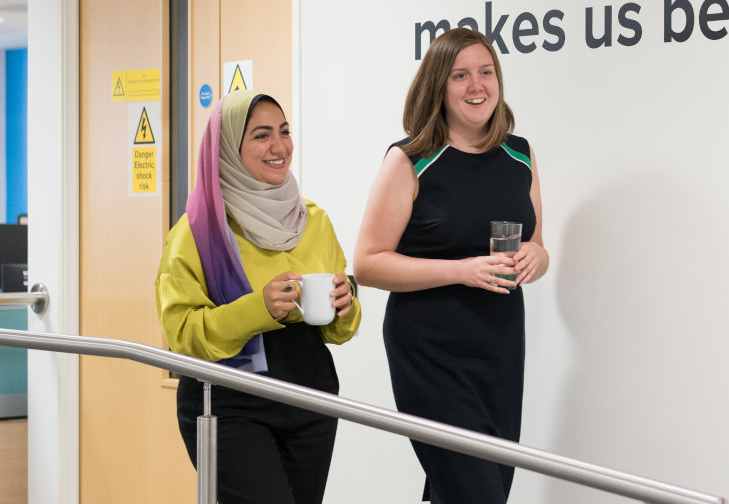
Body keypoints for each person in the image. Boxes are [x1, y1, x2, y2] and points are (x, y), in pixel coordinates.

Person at [354, 27, 550, 503]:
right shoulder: (411, 160)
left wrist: (535, 258)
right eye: (460, 76)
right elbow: (367, 263)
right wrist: (461, 270)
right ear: (438, 86)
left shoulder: (518, 154)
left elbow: (538, 245)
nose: (476, 86)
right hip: (431, 352)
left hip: (499, 346)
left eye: (486, 73)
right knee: (473, 491)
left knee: (481, 486)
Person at [155, 90, 360, 504]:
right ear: (228, 148)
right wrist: (257, 309)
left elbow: (339, 331)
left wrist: (346, 305)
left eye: (284, 132)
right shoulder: (197, 232)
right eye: (262, 135)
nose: (279, 146)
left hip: (310, 393)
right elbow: (180, 333)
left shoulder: (314, 219)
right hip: (230, 400)